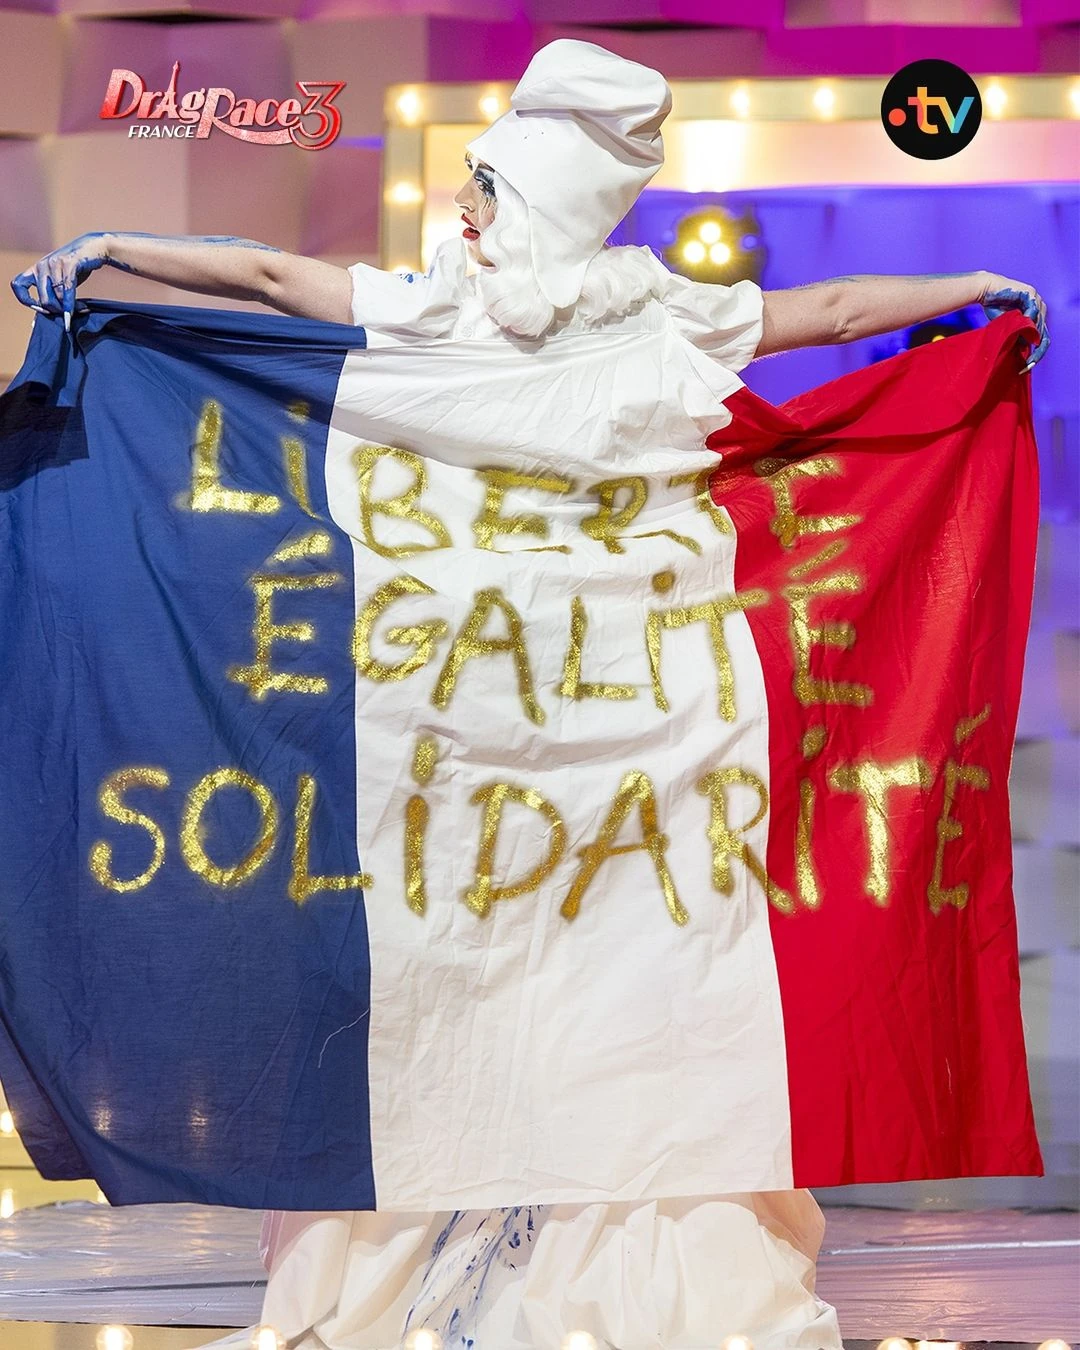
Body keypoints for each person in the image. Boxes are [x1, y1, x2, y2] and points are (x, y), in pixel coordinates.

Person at [10, 37, 1049, 1350]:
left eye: (489, 188)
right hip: (504, 764)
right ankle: (484, 1286)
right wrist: (115, 252)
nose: (464, 207)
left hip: (609, 771)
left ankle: (559, 1287)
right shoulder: (514, 311)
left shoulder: (583, 314)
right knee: (506, 1019)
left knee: (583, 1028)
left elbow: (836, 310)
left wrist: (970, 289)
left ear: (546, 202)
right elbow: (270, 276)